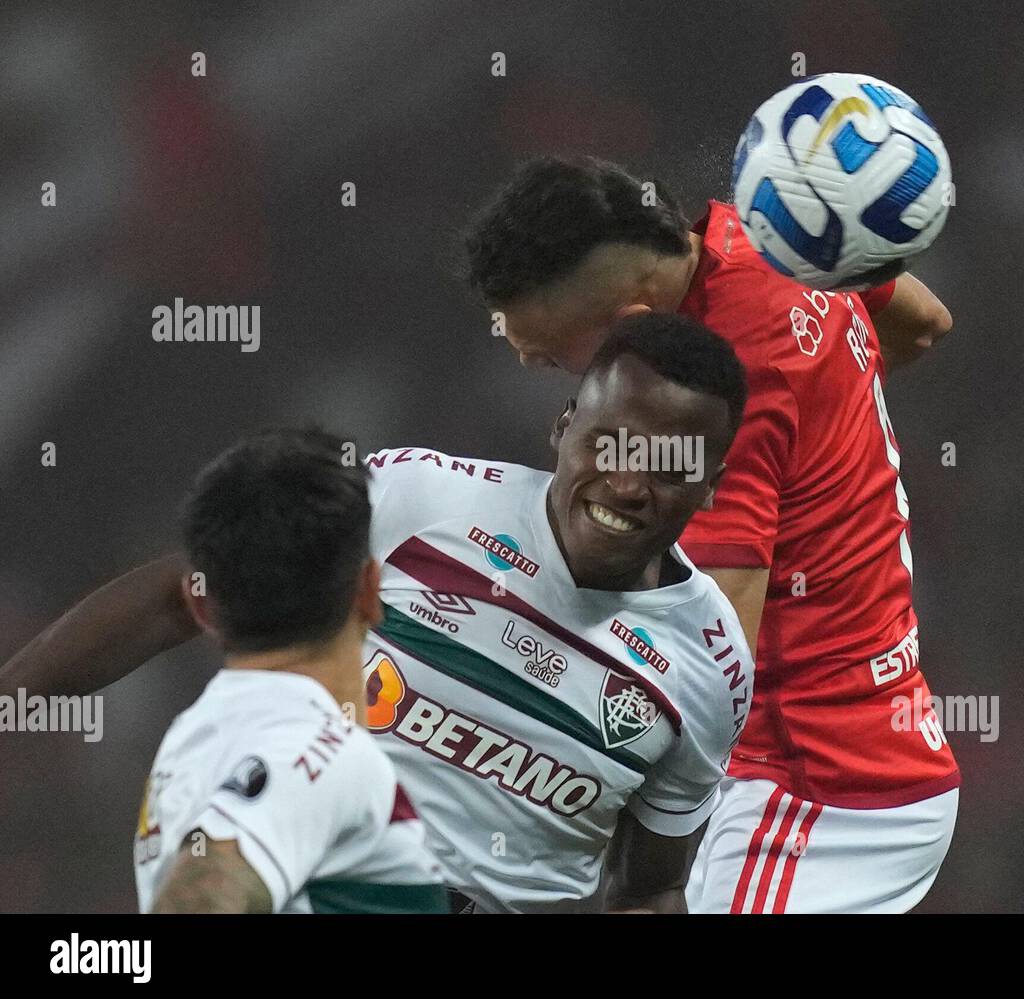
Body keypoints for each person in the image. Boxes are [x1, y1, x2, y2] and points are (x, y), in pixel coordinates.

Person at [2, 314, 754, 914]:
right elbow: (185, 592)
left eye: (668, 466)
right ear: (562, 427)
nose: (628, 485)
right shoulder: (419, 497)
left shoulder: (710, 667)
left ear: (713, 485)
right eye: (609, 445)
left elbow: (646, 890)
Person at [464, 156, 959, 912]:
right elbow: (924, 326)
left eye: (552, 355)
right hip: (846, 755)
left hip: (815, 789)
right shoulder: (768, 230)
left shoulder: (718, 391)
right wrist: (818, 429)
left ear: (634, 326)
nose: (542, 369)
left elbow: (706, 656)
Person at [136, 428, 445, 913]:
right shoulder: (318, 752)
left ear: (200, 606)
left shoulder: (187, 741)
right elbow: (203, 896)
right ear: (369, 589)